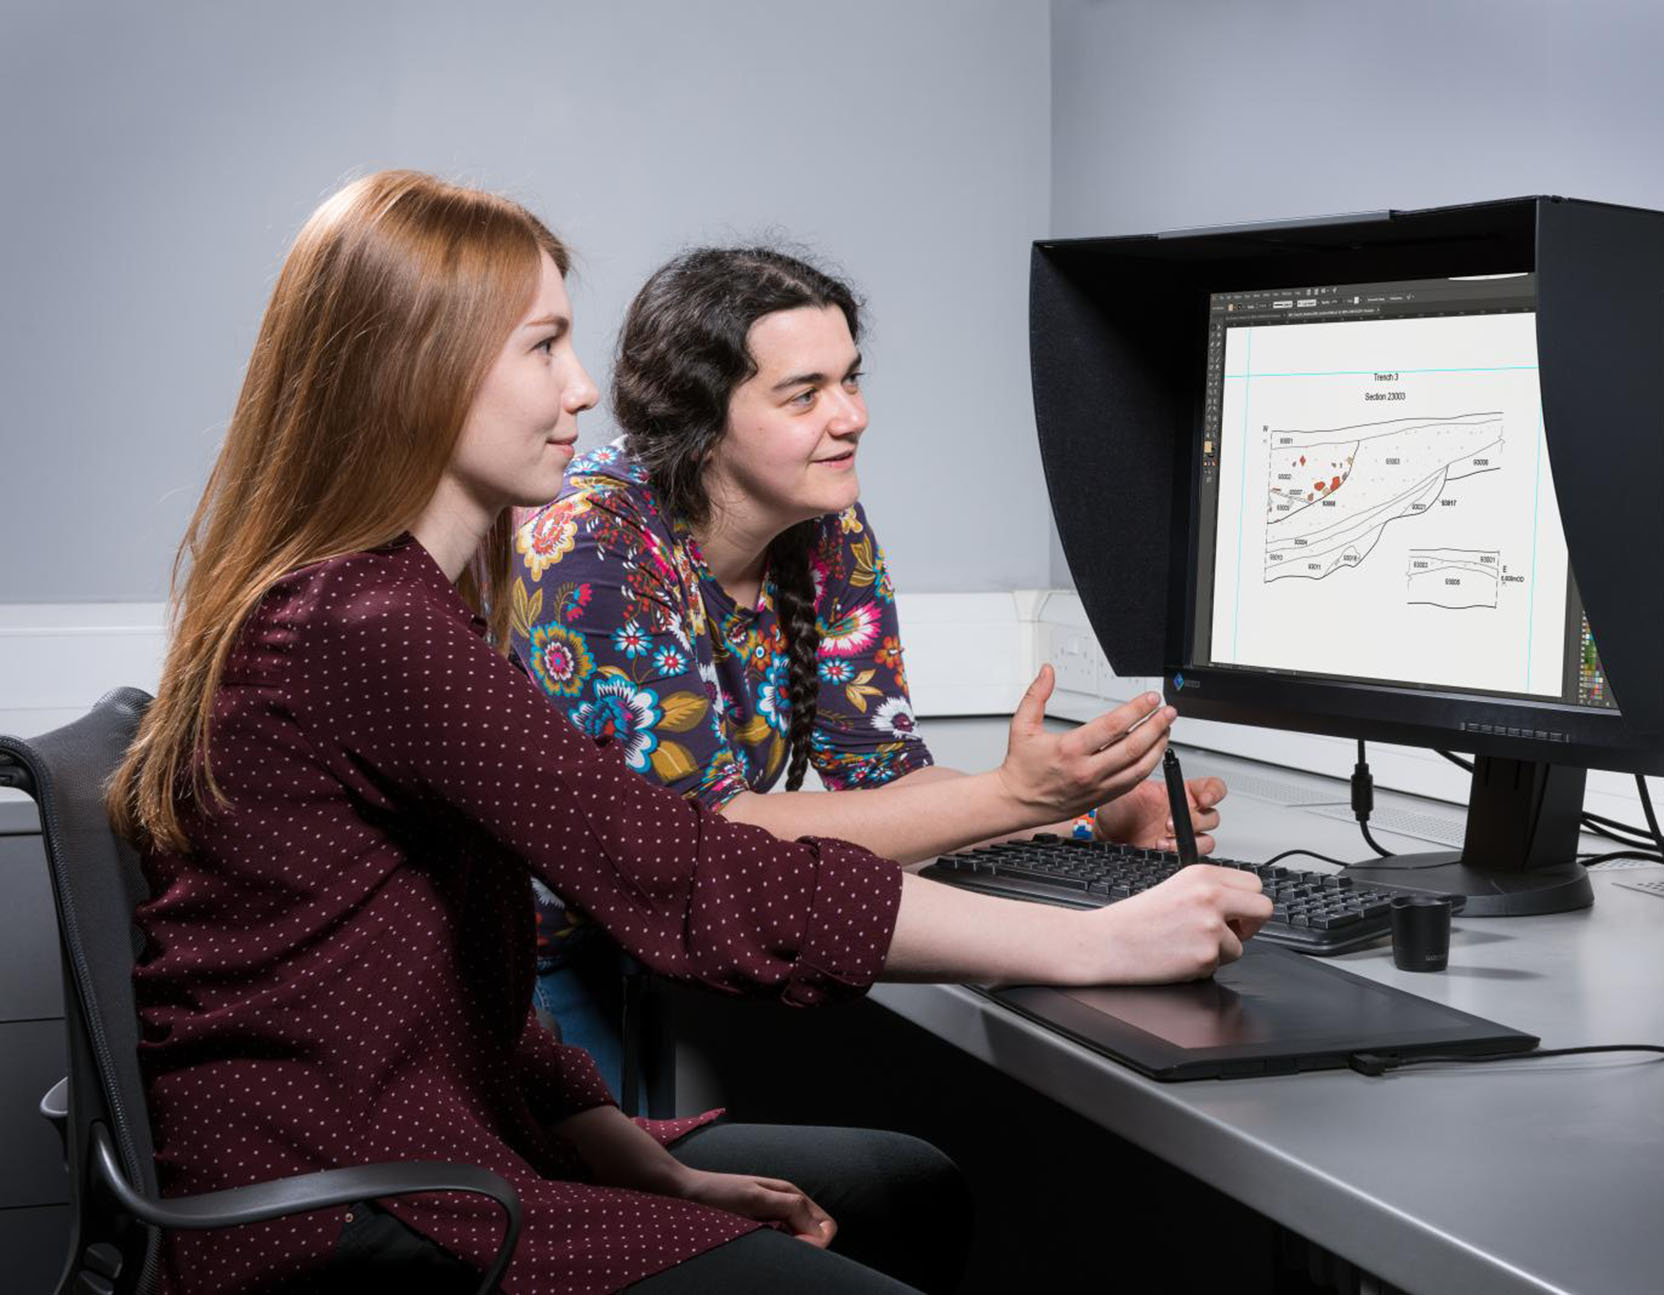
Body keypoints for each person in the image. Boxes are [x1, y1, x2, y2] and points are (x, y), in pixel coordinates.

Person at [110, 171, 1271, 1295]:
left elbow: (462, 967)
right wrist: (1089, 941)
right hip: (349, 1204)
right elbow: (683, 864)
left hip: (445, 1131)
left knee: (907, 1190)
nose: (579, 389)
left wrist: (641, 1162)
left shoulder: (423, 597)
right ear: (419, 371)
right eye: (542, 345)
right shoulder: (366, 621)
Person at [516, 246, 1230, 1086]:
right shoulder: (590, 547)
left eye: (850, 380)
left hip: (683, 955)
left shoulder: (826, 527)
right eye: (804, 393)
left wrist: (1077, 821)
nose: (850, 416)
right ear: (699, 418)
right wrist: (1014, 796)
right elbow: (707, 842)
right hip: (539, 973)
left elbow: (887, 781)